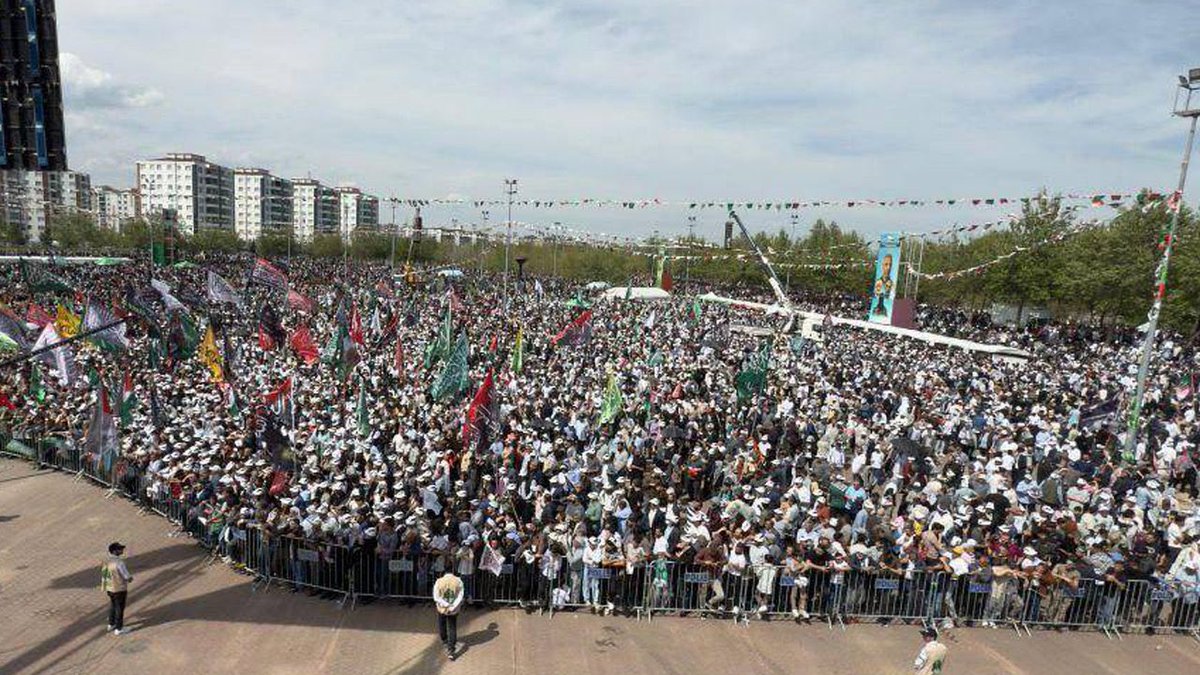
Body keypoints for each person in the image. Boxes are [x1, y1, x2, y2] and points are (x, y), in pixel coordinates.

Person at [100, 542, 133, 635]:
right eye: (120, 549)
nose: (122, 550)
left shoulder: (106, 561)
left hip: (109, 587)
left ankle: (111, 623)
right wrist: (130, 579)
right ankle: (119, 628)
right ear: (115, 551)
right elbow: (126, 576)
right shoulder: (119, 562)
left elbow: (105, 574)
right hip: (119, 588)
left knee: (113, 605)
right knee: (120, 608)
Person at [432, 569, 465, 660]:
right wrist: (453, 606)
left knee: (442, 624)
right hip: (454, 609)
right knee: (452, 627)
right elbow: (460, 596)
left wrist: (445, 605)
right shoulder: (458, 581)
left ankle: (444, 640)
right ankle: (451, 650)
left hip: (442, 608)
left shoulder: (439, 581)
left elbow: (436, 597)